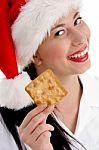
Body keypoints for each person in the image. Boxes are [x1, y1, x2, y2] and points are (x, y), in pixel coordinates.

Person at [0, 0, 99, 149]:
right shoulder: (5, 126)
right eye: (60, 32)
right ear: (35, 55)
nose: (81, 39)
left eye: (77, 21)